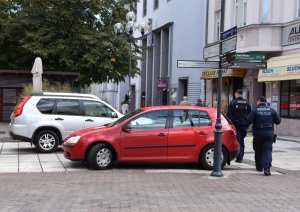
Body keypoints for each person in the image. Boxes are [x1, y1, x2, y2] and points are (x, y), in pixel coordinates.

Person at [247, 96, 281, 176]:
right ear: (265, 102)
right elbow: (278, 121)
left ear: (259, 101)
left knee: (258, 150)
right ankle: (267, 169)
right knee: (267, 151)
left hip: (258, 134)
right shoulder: (271, 110)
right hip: (269, 134)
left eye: (257, 101)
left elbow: (248, 120)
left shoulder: (255, 110)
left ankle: (259, 167)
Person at [227, 89, 251, 163]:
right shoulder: (247, 103)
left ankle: (239, 156)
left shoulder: (233, 103)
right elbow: (250, 114)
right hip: (244, 125)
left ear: (237, 94)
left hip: (236, 124)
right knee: (242, 140)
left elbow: (229, 115)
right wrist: (247, 124)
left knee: (237, 140)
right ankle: (241, 156)